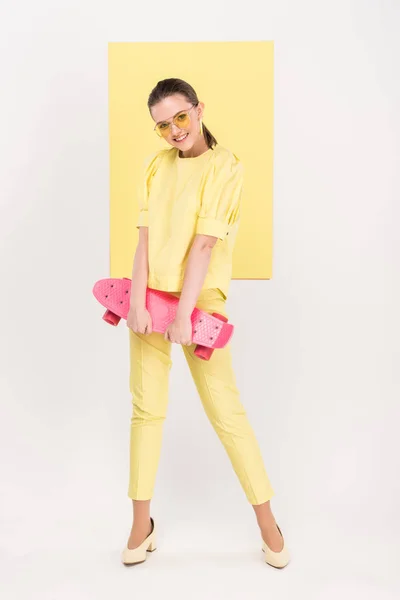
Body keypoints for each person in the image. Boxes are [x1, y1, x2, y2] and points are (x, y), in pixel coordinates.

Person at [121, 78, 290, 569]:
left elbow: (204, 245)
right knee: (146, 410)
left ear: (198, 110)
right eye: (162, 124)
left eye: (179, 117)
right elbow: (144, 241)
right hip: (149, 301)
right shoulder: (156, 166)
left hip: (202, 304)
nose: (173, 130)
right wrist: (135, 302)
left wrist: (183, 313)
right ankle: (139, 524)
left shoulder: (225, 166)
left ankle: (267, 523)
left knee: (227, 414)